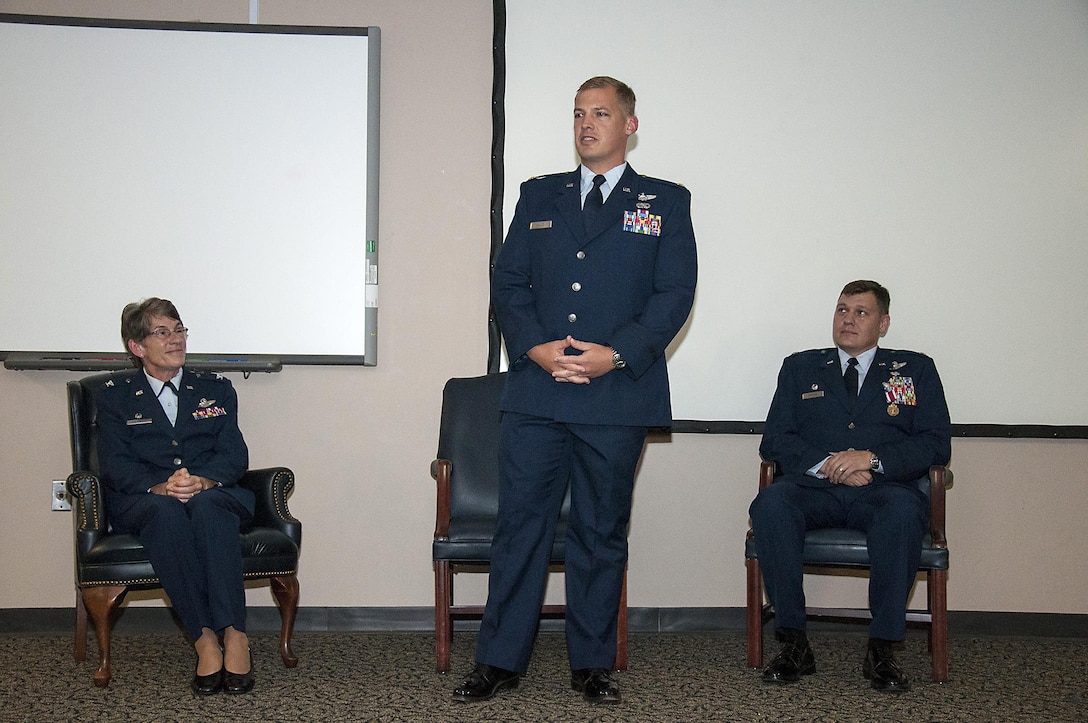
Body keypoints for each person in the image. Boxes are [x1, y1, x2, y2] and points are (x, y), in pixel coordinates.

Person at [453, 76, 698, 704]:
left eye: (601, 113)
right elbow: (508, 284)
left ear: (630, 125)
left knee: (600, 530)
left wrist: (614, 355)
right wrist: (535, 348)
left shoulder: (664, 201)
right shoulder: (540, 194)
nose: (587, 124)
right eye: (578, 114)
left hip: (616, 397)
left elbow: (675, 294)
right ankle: (500, 660)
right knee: (520, 528)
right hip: (537, 393)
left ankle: (592, 664)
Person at [749, 280, 951, 693]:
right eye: (842, 310)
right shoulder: (800, 367)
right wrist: (829, 465)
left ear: (884, 323)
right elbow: (775, 440)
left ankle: (882, 647)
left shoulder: (916, 369)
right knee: (769, 505)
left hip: (882, 491)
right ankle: (793, 642)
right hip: (813, 489)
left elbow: (935, 443)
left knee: (902, 513)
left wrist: (872, 460)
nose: (849, 319)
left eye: (862, 312)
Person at [95, 297, 256, 695]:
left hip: (212, 492)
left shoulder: (216, 389)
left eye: (179, 330)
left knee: (209, 506)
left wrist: (203, 480)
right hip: (147, 498)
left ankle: (235, 635)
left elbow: (234, 455)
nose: (175, 340)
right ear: (137, 346)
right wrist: (160, 486)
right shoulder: (113, 395)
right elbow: (114, 463)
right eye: (162, 332)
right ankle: (204, 639)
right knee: (165, 512)